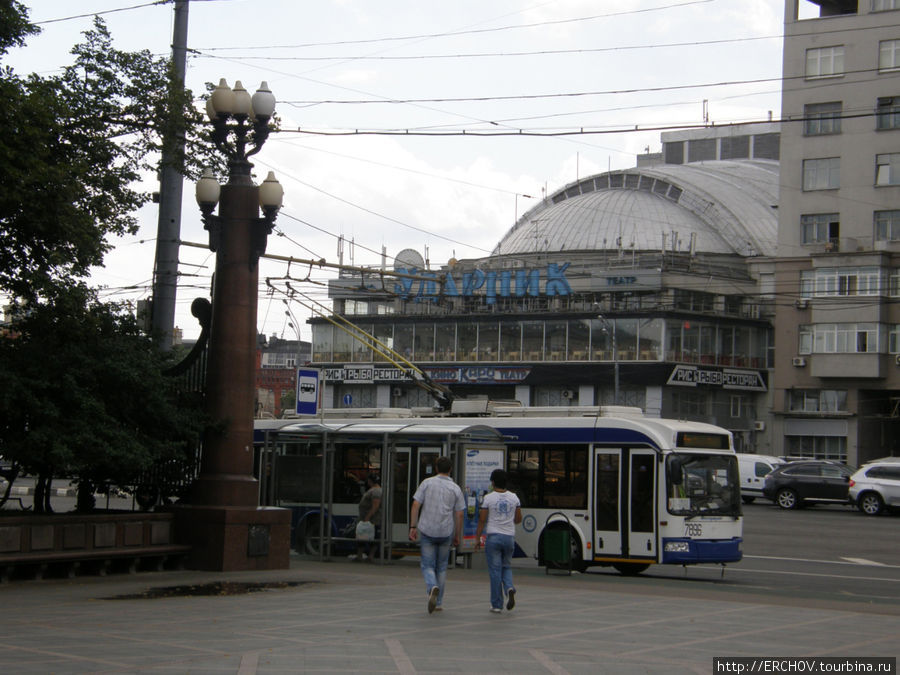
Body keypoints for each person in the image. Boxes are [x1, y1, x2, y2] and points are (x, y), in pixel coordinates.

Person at [409, 456, 465, 614]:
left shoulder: (427, 483)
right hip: (446, 531)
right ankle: (439, 602)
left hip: (427, 529)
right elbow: (459, 514)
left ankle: (431, 586)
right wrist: (457, 535)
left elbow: (415, 504)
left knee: (427, 565)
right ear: (450, 469)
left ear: (435, 468)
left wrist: (413, 526)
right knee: (441, 567)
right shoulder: (455, 488)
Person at [475, 469, 522, 613]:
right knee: (506, 566)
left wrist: (477, 538)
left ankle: (496, 604)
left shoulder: (489, 498)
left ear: (493, 482)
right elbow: (518, 519)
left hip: (493, 537)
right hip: (509, 537)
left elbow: (482, 519)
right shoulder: (514, 498)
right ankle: (509, 588)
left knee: (495, 571)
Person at [349, 473, 381, 562]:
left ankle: (369, 556)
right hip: (369, 519)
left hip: (371, 520)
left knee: (370, 538)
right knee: (362, 537)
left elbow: (375, 506)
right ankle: (361, 556)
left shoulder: (376, 491)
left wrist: (367, 517)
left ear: (370, 481)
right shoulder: (374, 490)